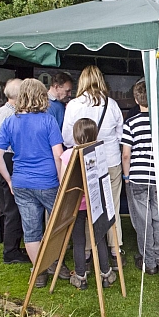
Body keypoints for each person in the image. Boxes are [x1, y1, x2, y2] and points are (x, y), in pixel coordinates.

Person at [0, 78, 65, 288]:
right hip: (48, 181)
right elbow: (58, 154)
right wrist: (62, 182)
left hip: (21, 182)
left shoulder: (9, 121)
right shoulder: (48, 120)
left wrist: (9, 179)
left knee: (31, 230)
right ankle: (55, 264)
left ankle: (39, 270)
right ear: (40, 97)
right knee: (57, 226)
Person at [62, 65, 125, 268]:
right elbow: (120, 135)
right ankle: (115, 250)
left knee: (90, 208)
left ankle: (88, 251)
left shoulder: (73, 106)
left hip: (86, 163)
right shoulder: (112, 104)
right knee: (111, 207)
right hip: (111, 160)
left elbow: (67, 138)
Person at [60, 118, 116, 290]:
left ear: (75, 135)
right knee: (99, 237)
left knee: (78, 240)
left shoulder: (68, 155)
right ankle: (106, 273)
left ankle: (80, 276)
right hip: (95, 202)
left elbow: (64, 181)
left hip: (76, 204)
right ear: (94, 134)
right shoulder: (98, 153)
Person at [121, 80, 159, 275]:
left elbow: (126, 154)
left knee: (143, 221)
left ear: (136, 99)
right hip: (157, 177)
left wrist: (126, 176)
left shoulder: (130, 123)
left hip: (137, 176)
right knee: (157, 219)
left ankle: (149, 261)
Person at [0, 78, 29, 264]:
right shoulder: (12, 116)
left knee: (6, 205)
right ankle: (11, 252)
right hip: (7, 159)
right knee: (13, 208)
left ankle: (9, 244)